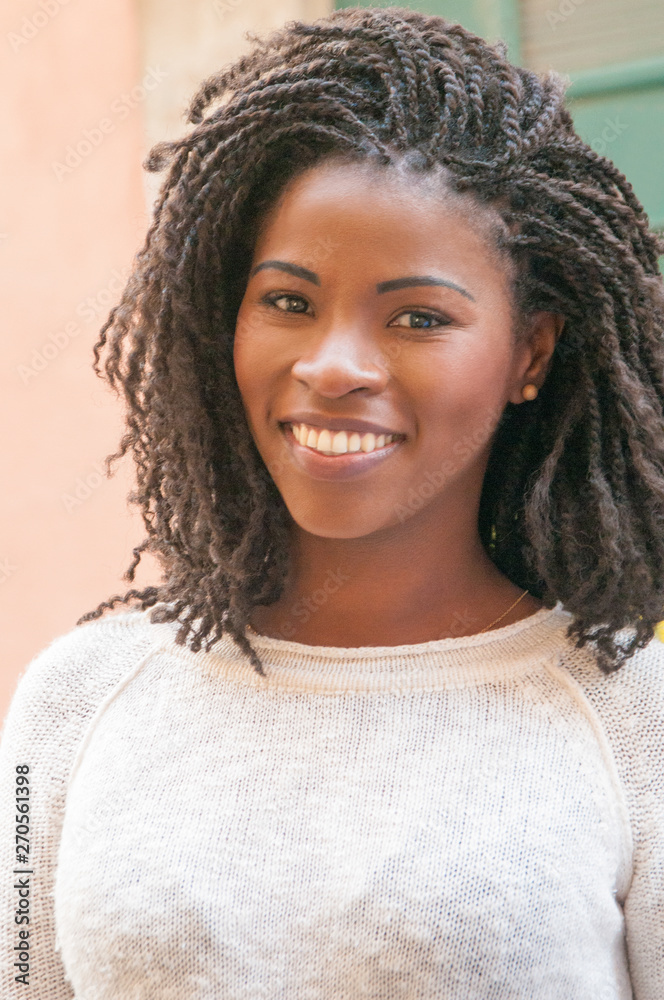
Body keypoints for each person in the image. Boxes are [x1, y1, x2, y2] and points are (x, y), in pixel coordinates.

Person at [2, 5, 664, 997]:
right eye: (287, 301)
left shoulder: (630, 721)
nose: (334, 365)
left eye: (417, 316)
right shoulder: (78, 701)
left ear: (528, 352)